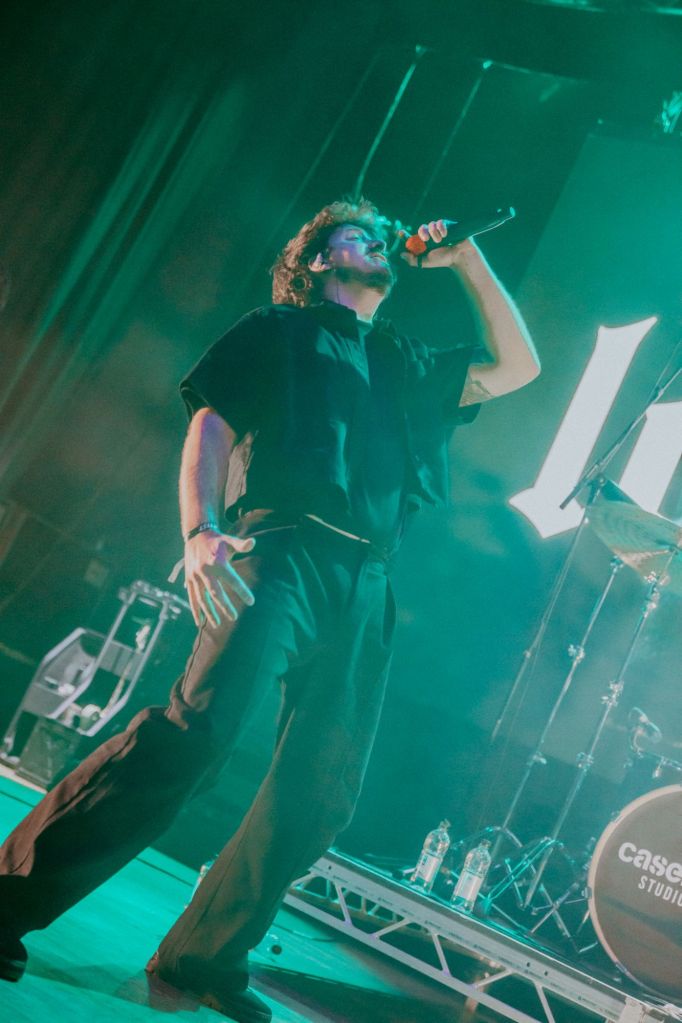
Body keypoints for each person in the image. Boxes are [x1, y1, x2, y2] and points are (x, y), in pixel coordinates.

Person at [0, 199, 539, 1022]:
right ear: (318, 261)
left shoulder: (403, 358)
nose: (378, 239)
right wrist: (200, 529)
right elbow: (211, 424)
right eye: (357, 234)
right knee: (197, 732)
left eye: (380, 234)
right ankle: (9, 896)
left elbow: (518, 368)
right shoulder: (278, 329)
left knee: (320, 788)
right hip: (280, 550)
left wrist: (465, 260)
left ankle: (205, 953)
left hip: (368, 579)